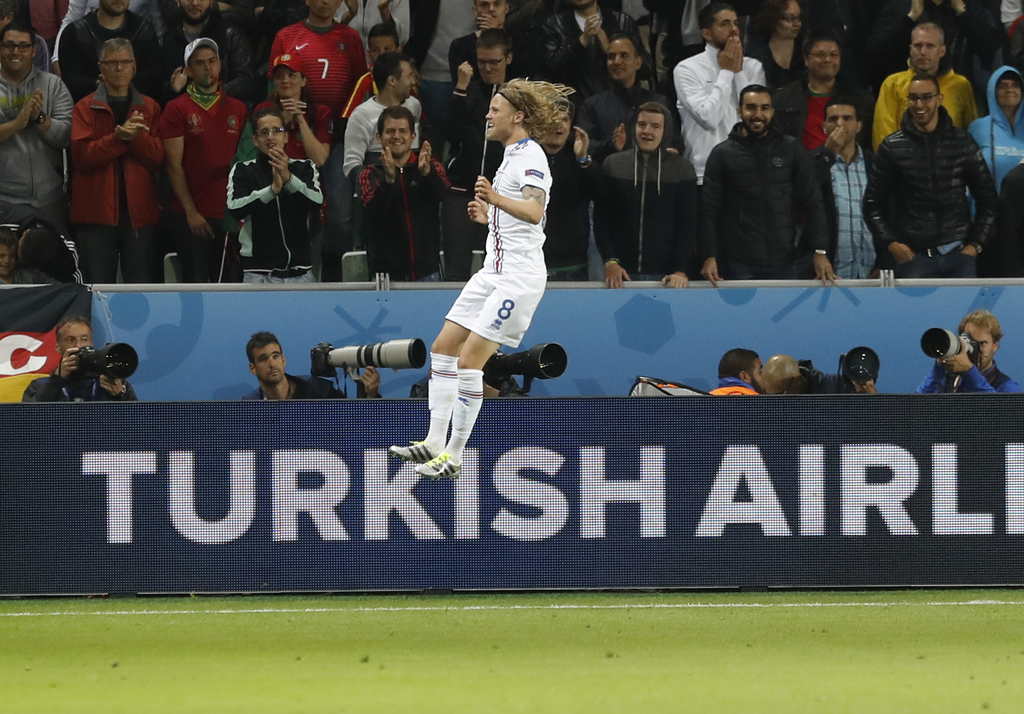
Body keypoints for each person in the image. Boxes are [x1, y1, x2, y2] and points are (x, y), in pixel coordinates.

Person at [389, 78, 571, 480]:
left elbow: (535, 210)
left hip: (517, 280)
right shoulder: (511, 155)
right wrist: (490, 219)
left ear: (517, 116)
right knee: (443, 348)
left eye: (495, 109)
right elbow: (517, 219)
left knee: (471, 361)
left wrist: (495, 199)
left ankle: (454, 455)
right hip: (492, 272)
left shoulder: (531, 156)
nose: (487, 115)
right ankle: (434, 441)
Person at [269, 0, 368, 277]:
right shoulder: (286, 36)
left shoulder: (349, 38)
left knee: (341, 215)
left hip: (338, 139)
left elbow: (362, 86)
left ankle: (338, 272)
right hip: (294, 136)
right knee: (297, 209)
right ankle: (299, 269)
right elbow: (272, 85)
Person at [864, 74, 997, 279]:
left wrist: (975, 246)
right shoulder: (892, 147)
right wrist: (892, 244)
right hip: (912, 258)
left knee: (963, 313)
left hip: (959, 256)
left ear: (939, 99)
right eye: (913, 98)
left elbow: (988, 200)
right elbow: (872, 204)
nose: (919, 104)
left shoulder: (963, 142)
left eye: (926, 97)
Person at [699, 85, 835, 285]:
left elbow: (812, 202)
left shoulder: (791, 149)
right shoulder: (722, 154)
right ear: (739, 111)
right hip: (737, 263)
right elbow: (708, 210)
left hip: (785, 260)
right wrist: (709, 256)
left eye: (764, 108)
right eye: (751, 108)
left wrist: (820, 251)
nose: (758, 114)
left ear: (772, 111)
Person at [70, 38, 164, 285]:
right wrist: (119, 140)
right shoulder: (84, 107)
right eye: (112, 63)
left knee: (141, 288)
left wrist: (136, 139)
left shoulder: (150, 107)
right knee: (97, 288)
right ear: (101, 67)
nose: (119, 68)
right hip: (95, 215)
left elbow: (159, 158)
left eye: (125, 62)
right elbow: (80, 157)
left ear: (134, 66)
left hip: (139, 214)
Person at [160, 38, 247, 282]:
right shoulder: (177, 109)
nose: (207, 68)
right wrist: (191, 212)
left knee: (232, 285)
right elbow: (173, 165)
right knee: (196, 287)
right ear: (187, 71)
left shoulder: (238, 108)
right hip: (192, 216)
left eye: (212, 61)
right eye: (199, 63)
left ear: (220, 65)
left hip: (230, 215)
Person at [595, 102, 697, 288]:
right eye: (641, 124)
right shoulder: (613, 165)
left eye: (655, 126)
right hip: (620, 274)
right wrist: (610, 261)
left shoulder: (682, 169)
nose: (647, 131)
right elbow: (602, 219)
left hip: (666, 276)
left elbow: (687, 225)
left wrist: (680, 270)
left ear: (666, 131)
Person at [441, 28, 510, 281]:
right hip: (461, 191)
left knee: (499, 269)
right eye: (482, 62)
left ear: (509, 59)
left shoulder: (518, 97)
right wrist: (460, 87)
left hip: (500, 196)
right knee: (456, 270)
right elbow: (451, 133)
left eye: (495, 62)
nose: (488, 68)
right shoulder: (466, 92)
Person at [226, 107, 324, 283]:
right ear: (255, 140)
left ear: (286, 137)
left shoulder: (304, 167)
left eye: (277, 131)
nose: (270, 137)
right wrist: (271, 191)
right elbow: (234, 208)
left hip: (300, 273)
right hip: (258, 274)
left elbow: (316, 202)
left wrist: (289, 180)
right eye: (264, 132)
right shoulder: (243, 170)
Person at [673, 2, 766, 185]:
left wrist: (738, 72)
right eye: (724, 24)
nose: (733, 30)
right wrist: (727, 72)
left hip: (748, 171)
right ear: (706, 33)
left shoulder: (753, 67)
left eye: (736, 23)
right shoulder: (687, 69)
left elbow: (756, 117)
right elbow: (708, 118)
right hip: (704, 173)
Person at [359, 105, 449, 281]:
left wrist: (426, 174)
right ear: (379, 137)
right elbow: (371, 210)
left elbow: (443, 195)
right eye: (390, 131)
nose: (397, 136)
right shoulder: (369, 173)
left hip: (428, 273)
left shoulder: (430, 166)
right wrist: (389, 181)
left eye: (403, 131)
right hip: (385, 278)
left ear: (413, 136)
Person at [0, 21, 74, 232]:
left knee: (52, 261)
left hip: (49, 199)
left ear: (33, 51)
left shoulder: (53, 85)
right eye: (9, 45)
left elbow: (66, 136)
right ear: (0, 48)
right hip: (4, 200)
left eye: (23, 46)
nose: (16, 51)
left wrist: (40, 119)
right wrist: (17, 124)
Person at [577, 32, 683, 165]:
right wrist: (611, 146)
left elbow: (675, 142)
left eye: (624, 55)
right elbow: (583, 146)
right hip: (607, 180)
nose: (616, 61)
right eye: (611, 57)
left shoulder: (660, 102)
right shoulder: (592, 105)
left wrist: (672, 152)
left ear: (638, 63)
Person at [872, 23, 977, 150]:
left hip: (950, 163)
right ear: (910, 49)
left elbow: (971, 132)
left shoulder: (961, 85)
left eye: (930, 46)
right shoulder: (893, 84)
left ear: (942, 50)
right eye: (918, 46)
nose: (923, 52)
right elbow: (882, 135)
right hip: (903, 164)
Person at [865, 0, 1002, 92]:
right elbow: (875, 52)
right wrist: (911, 17)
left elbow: (991, 48)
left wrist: (962, 13)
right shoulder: (901, 6)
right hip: (907, 93)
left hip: (954, 92)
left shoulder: (969, 7)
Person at [771, 31, 874, 151]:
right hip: (801, 165)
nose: (828, 59)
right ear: (806, 59)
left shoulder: (861, 100)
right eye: (820, 54)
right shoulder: (783, 99)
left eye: (834, 55)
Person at [810, 97, 876, 279]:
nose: (840, 124)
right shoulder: (812, 161)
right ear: (824, 127)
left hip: (871, 270)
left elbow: (888, 211)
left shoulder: (875, 163)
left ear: (858, 126)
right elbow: (805, 198)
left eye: (847, 119)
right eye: (833, 119)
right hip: (828, 271)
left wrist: (885, 262)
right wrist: (827, 154)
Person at [539, 112, 604, 281]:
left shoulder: (581, 160)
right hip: (533, 264)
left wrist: (583, 159)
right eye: (553, 119)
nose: (560, 125)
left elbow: (602, 197)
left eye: (565, 120)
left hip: (573, 265)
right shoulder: (525, 157)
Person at [56, 0, 163, 103]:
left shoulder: (144, 30)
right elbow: (71, 81)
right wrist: (100, 84)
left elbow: (154, 77)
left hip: (137, 110)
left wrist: (122, 82)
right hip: (90, 111)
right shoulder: (75, 33)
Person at [541, 0, 641, 104]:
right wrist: (580, 43)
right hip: (574, 107)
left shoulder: (623, 22)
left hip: (620, 104)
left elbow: (646, 68)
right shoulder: (554, 25)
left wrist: (611, 51)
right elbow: (550, 71)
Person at [342, 52, 421, 181]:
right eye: (409, 76)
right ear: (392, 81)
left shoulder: (414, 106)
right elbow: (351, 164)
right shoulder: (361, 115)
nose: (413, 82)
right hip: (376, 188)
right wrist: (369, 187)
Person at [160, 0, 258, 104]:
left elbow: (246, 81)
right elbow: (159, 88)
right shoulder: (170, 38)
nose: (195, 3)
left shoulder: (230, 34)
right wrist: (172, 89)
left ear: (211, 2)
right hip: (185, 113)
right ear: (177, 1)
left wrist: (211, 92)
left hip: (224, 109)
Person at [21, 316, 138, 402]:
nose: (79, 346)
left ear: (92, 343)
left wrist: (121, 395)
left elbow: (137, 424)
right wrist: (56, 381)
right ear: (57, 346)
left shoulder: (111, 382)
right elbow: (27, 423)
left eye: (84, 339)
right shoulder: (39, 386)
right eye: (70, 340)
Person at [243, 330, 379, 399]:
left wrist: (371, 396)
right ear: (252, 368)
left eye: (275, 356)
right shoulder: (249, 408)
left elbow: (355, 424)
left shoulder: (319, 390)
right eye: (263, 359)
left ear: (283, 360)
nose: (272, 364)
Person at [916, 309, 1021, 393]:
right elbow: (917, 407)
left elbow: (1000, 414)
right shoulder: (954, 381)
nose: (976, 349)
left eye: (982, 343)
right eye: (971, 342)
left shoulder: (1007, 386)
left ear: (995, 345)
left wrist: (969, 371)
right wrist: (939, 368)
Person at [255, 53, 332, 167]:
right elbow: (262, 152)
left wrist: (300, 119)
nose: (285, 80)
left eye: (291, 75)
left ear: (303, 81)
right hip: (271, 172)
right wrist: (284, 119)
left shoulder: (320, 112)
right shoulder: (264, 109)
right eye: (279, 76)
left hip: (307, 177)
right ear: (274, 82)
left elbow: (320, 160)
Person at [448, 0, 542, 88]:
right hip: (475, 103)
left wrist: (496, 35)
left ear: (506, 8)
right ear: (475, 10)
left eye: (497, 4)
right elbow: (464, 84)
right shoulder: (459, 46)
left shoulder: (524, 42)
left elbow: (525, 77)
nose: (491, 9)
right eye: (484, 5)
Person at [968, 67, 1024, 192]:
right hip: (991, 208)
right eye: (1003, 86)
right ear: (992, 91)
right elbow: (967, 174)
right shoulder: (978, 128)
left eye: (1015, 85)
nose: (1010, 90)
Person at [341, 22, 402, 127]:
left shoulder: (406, 79)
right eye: (375, 50)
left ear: (398, 50)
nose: (381, 54)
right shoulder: (366, 81)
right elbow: (347, 118)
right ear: (369, 53)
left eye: (387, 49)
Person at [748, 0, 804, 91]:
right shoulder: (758, 58)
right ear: (774, 20)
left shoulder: (806, 53)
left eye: (799, 18)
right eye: (789, 18)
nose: (797, 24)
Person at [762, 353, 878, 393]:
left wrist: (872, 400)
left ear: (797, 380)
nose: (775, 400)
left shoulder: (839, 387)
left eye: (781, 393)